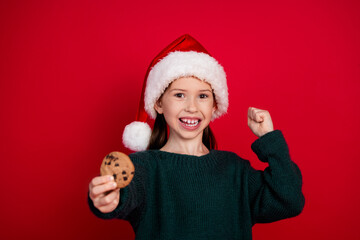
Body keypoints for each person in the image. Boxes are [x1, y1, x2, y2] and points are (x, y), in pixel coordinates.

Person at [88, 34, 305, 239]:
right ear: (159, 104)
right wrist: (109, 198)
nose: (192, 107)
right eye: (179, 95)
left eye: (202, 96)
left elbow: (289, 200)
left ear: (214, 106)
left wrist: (269, 139)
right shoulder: (144, 168)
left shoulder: (235, 171)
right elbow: (123, 195)